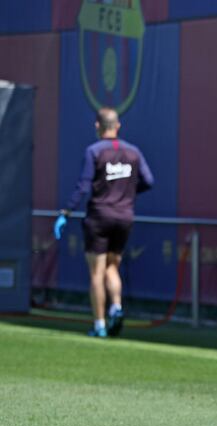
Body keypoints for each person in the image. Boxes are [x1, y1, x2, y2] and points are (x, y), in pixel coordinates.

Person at [54, 107, 154, 338]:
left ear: (98, 126)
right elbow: (148, 181)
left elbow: (83, 185)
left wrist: (66, 212)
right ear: (117, 126)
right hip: (124, 216)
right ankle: (116, 307)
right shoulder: (133, 152)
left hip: (99, 216)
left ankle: (99, 324)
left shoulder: (95, 151)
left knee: (97, 272)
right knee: (113, 266)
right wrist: (127, 192)